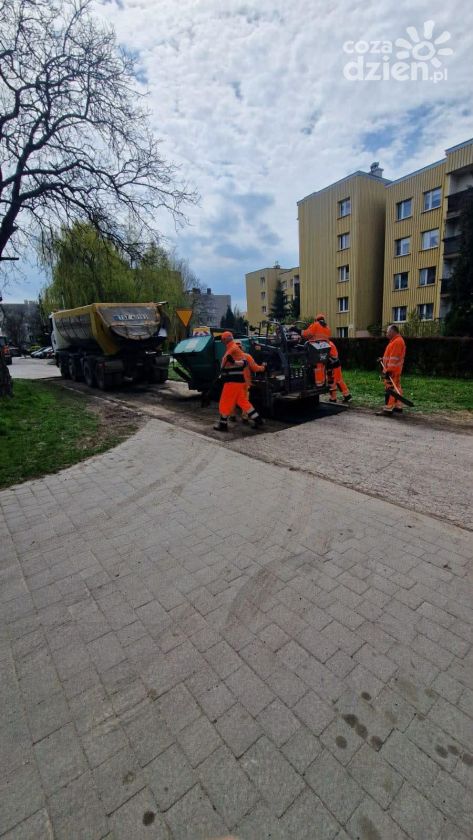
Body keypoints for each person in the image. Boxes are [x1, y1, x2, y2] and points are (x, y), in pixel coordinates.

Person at [213, 332, 264, 431]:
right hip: (240, 382)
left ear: (225, 340)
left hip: (232, 381)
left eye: (222, 339)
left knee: (225, 402)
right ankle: (258, 420)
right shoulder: (235, 350)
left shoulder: (232, 349)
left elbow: (241, 363)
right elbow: (244, 363)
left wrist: (233, 362)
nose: (222, 341)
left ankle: (223, 425)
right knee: (243, 402)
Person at [230, 340, 266, 423]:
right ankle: (245, 417)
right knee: (245, 400)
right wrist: (263, 367)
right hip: (244, 383)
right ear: (241, 347)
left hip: (232, 383)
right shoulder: (246, 356)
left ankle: (232, 416)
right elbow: (255, 368)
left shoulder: (229, 358)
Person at [377, 324, 406, 416]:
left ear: (393, 332)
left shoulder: (397, 342)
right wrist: (383, 359)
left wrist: (388, 370)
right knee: (396, 388)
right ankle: (398, 406)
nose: (386, 333)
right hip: (394, 370)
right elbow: (391, 356)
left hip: (392, 371)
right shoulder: (394, 341)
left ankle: (388, 409)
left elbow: (394, 359)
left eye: (388, 331)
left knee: (390, 389)